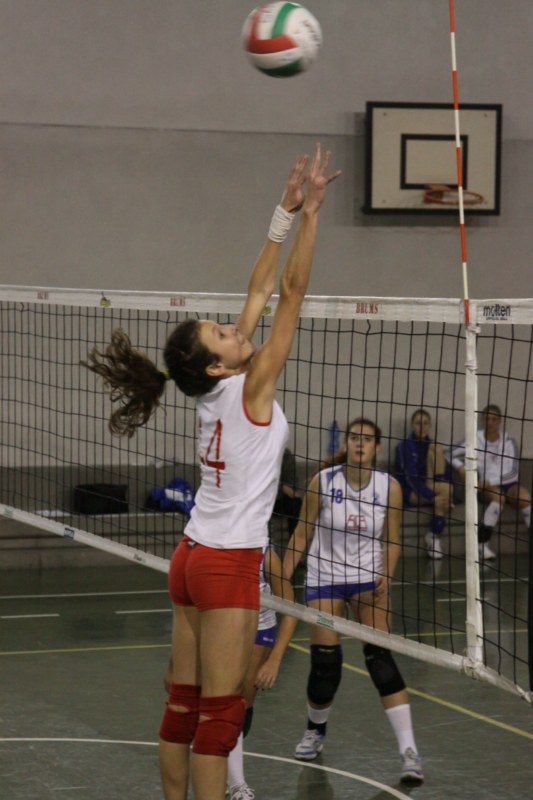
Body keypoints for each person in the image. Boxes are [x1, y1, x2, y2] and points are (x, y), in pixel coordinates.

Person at [83, 142, 340, 800]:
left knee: (183, 702)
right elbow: (289, 293)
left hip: (190, 557)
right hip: (226, 564)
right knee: (221, 717)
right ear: (219, 364)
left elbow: (257, 292)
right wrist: (312, 214)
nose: (232, 327)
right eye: (222, 333)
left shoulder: (212, 386)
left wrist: (281, 212)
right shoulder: (251, 386)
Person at [283, 418, 424, 785]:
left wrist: (386, 575)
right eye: (354, 438)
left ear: (377, 447)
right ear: (345, 444)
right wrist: (281, 580)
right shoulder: (323, 482)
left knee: (381, 662)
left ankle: (409, 752)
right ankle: (315, 730)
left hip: (367, 581)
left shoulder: (389, 487)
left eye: (367, 439)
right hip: (325, 580)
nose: (360, 444)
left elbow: (392, 539)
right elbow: (302, 533)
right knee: (325, 667)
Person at [225, 545, 297, 800]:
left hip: (259, 629)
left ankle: (230, 774)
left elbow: (291, 610)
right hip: (222, 624)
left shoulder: (266, 555)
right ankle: (237, 784)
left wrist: (275, 660)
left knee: (242, 705)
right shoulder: (211, 542)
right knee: (226, 702)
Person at [449, 403, 531, 560]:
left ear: (499, 421)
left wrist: (489, 481)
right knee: (498, 498)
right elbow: (448, 453)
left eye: (494, 419)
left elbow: (514, 473)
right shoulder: (474, 440)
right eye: (487, 419)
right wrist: (460, 467)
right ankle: (481, 545)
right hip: (486, 488)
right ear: (482, 420)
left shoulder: (509, 442)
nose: (490, 422)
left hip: (507, 484)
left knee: (525, 498)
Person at [394, 409, 453, 560]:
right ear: (412, 425)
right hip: (409, 491)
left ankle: (432, 535)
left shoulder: (432, 446)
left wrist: (437, 494)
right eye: (418, 423)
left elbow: (445, 472)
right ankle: (434, 536)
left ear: (430, 425)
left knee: (447, 488)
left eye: (426, 423)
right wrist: (432, 497)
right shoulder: (404, 446)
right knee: (444, 496)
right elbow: (411, 479)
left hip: (429, 485)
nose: (422, 427)